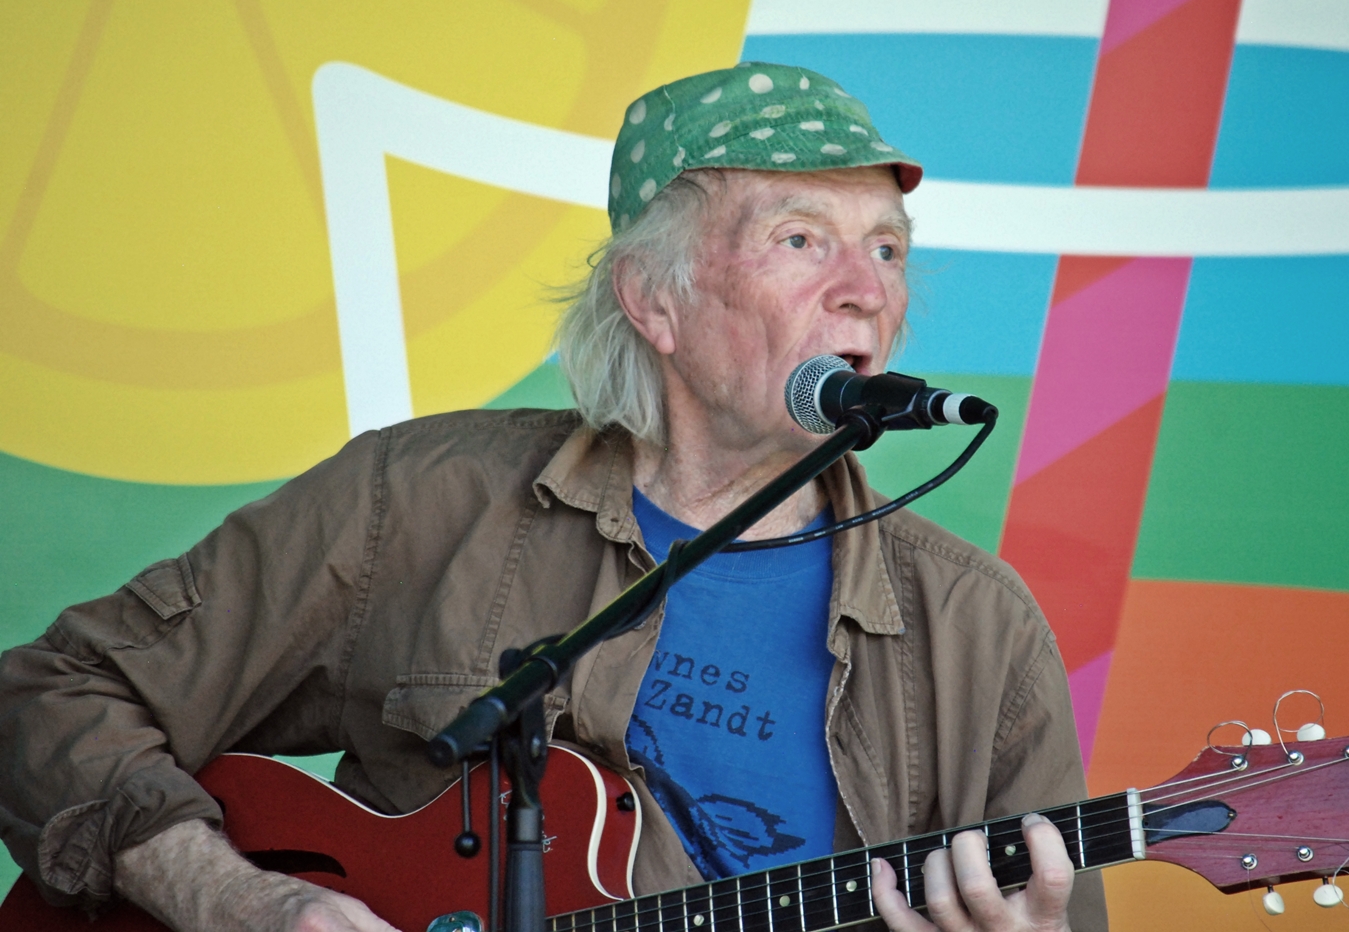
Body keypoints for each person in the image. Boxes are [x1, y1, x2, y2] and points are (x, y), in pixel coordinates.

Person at [0, 63, 1106, 932]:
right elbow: (48, 695)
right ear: (654, 299)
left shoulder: (982, 632)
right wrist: (236, 899)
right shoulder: (418, 502)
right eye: (801, 240)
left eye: (888, 250)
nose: (866, 289)